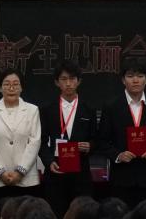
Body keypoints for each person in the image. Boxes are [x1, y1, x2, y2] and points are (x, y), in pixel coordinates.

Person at [98, 59, 146, 207]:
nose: (135, 80)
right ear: (123, 80)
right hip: (121, 178)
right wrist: (118, 155)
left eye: (140, 76)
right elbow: (102, 141)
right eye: (130, 76)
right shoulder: (111, 107)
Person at [39, 60, 97, 217]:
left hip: (81, 174)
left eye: (72, 79)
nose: (68, 83)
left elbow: (96, 139)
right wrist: (49, 161)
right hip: (56, 171)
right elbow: (41, 141)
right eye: (64, 79)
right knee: (56, 213)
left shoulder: (89, 109)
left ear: (79, 81)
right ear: (57, 82)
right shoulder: (47, 109)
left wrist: (90, 146)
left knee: (82, 214)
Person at [0, 70, 42, 198]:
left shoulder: (32, 110)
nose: (11, 88)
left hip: (25, 179)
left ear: (21, 88)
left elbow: (34, 142)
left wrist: (20, 172)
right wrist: (0, 173)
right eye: (7, 84)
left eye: (15, 84)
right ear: (0, 88)